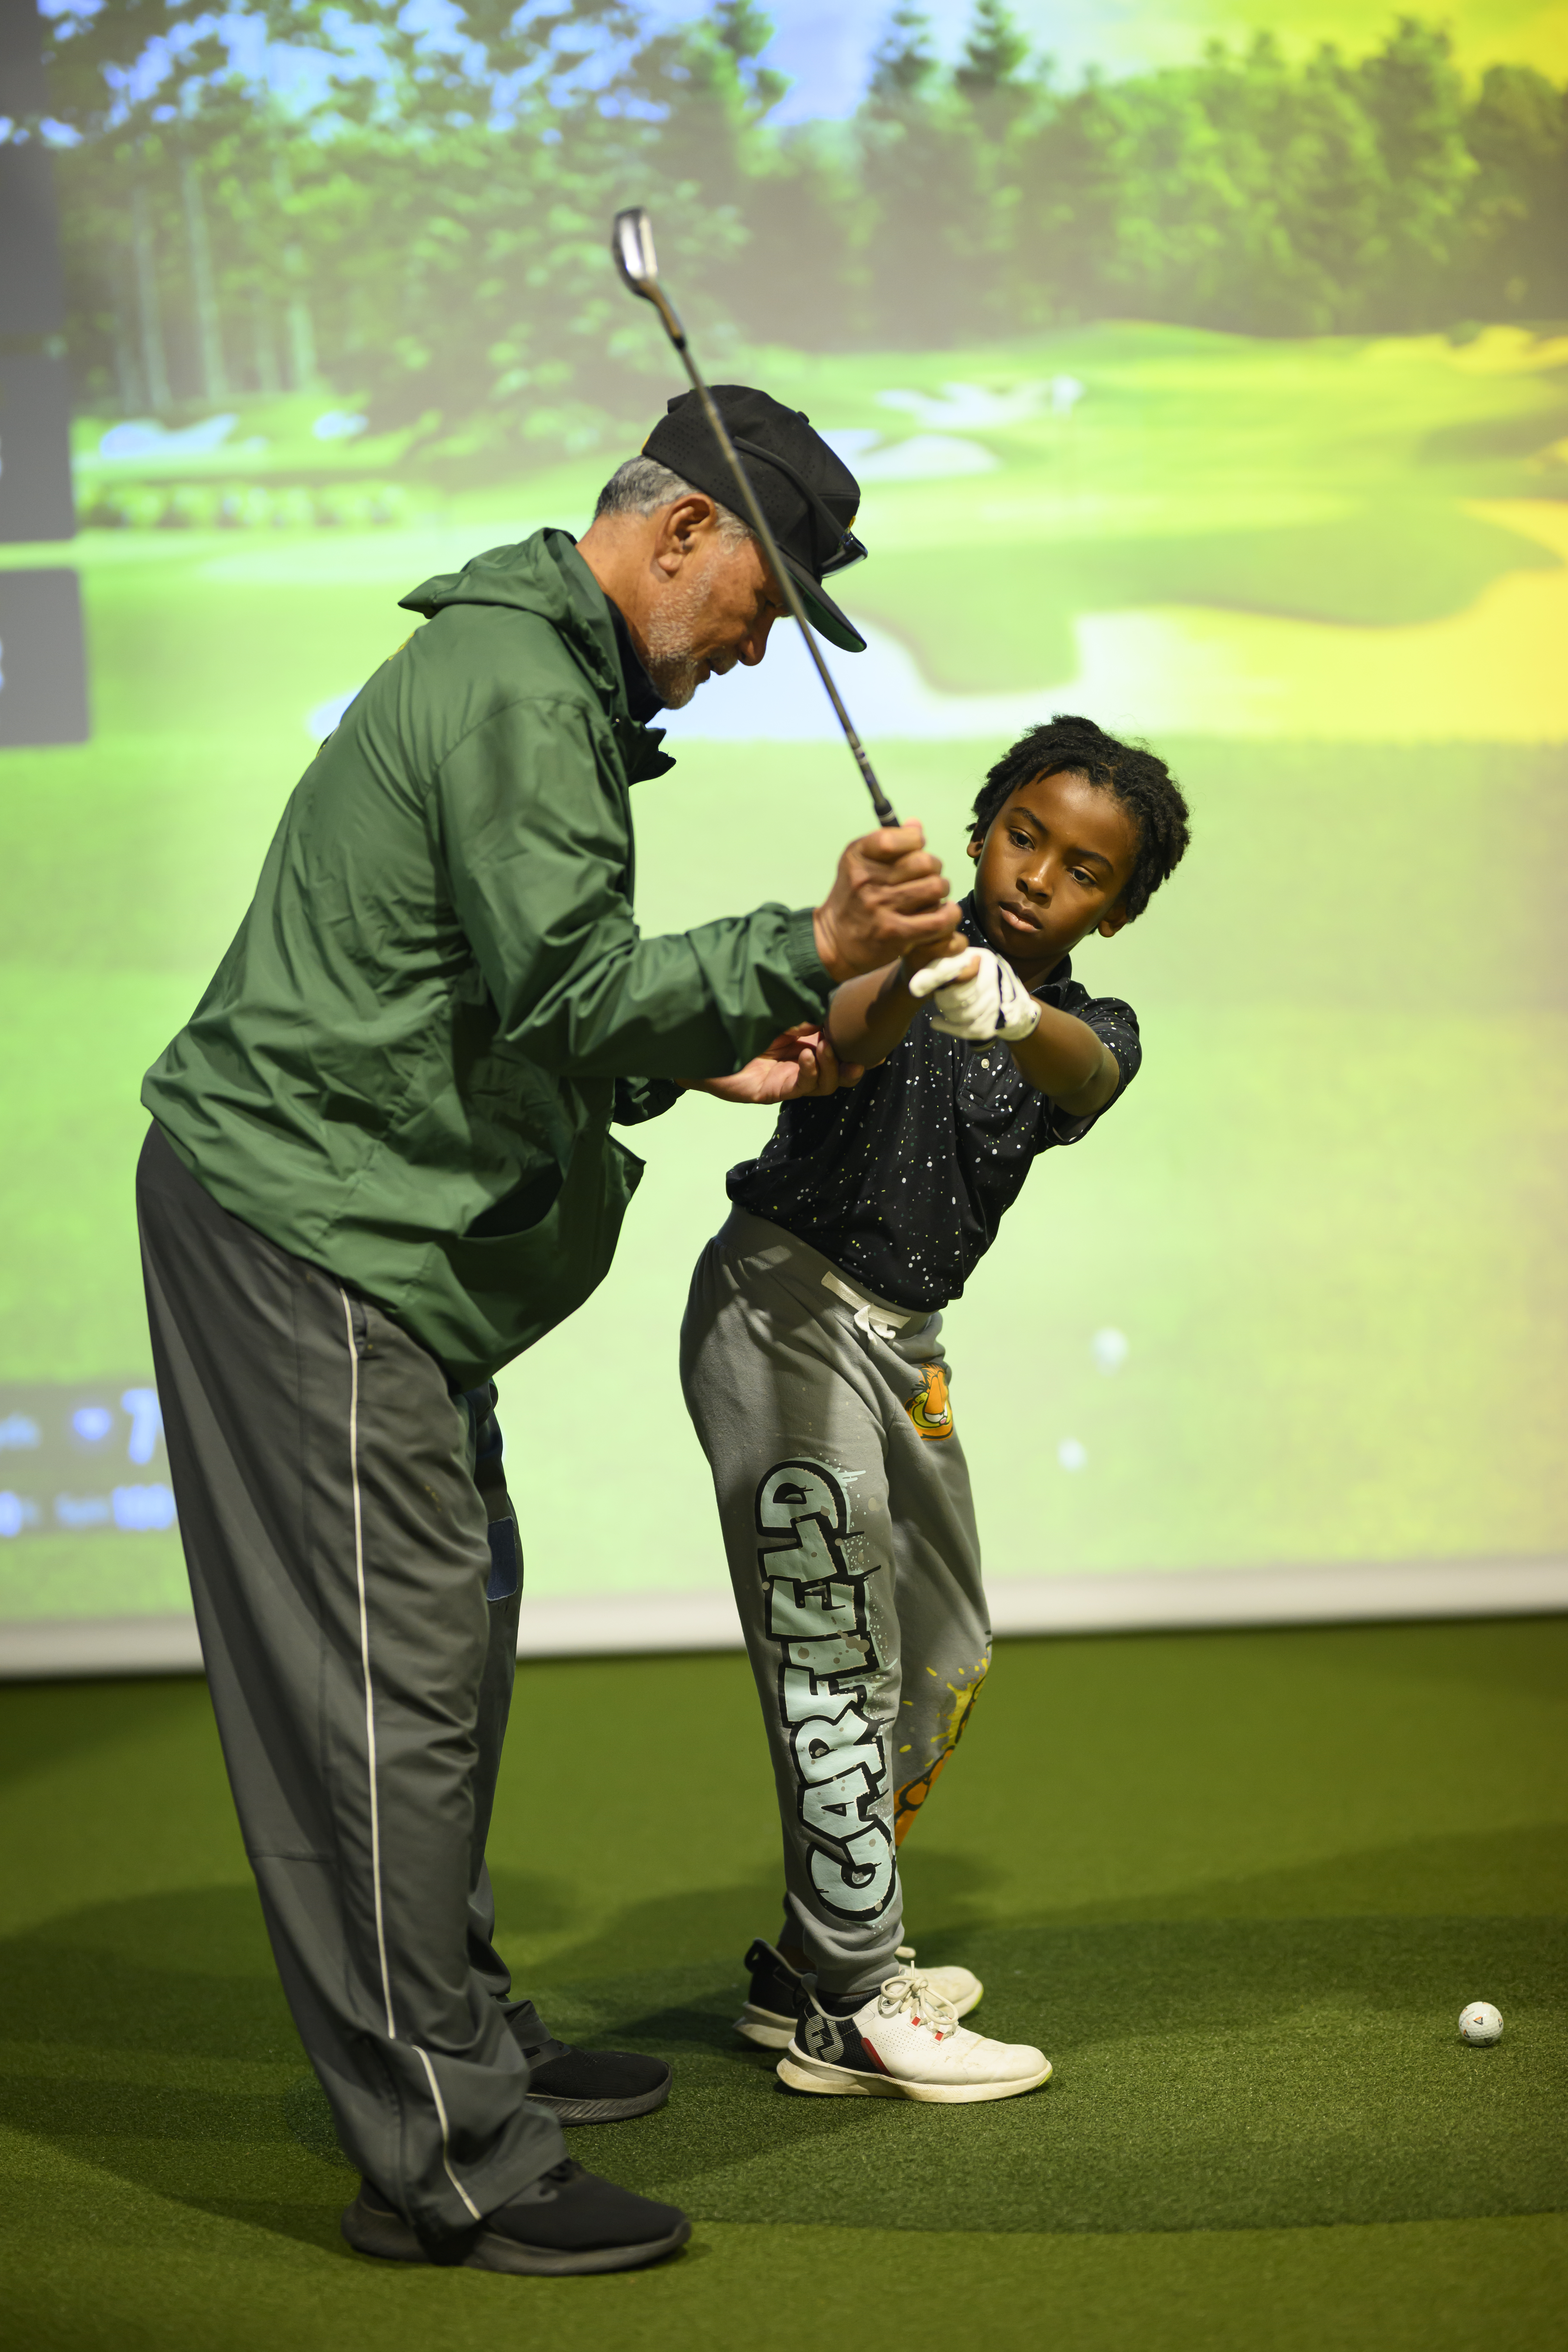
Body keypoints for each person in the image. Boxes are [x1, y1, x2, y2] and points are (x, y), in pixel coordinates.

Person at [135, 386, 961, 2274]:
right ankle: (450, 2154)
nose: (760, 642)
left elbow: (510, 1013)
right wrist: (806, 942)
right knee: (388, 1695)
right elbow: (574, 983)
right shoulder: (521, 684)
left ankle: (467, 2033)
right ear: (678, 535)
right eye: (765, 595)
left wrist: (697, 1043)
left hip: (374, 1234)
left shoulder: (544, 681)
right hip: (311, 1230)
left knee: (455, 1628)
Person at [680, 714, 1191, 2102]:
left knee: (944, 1654)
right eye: (1023, 838)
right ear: (980, 830)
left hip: (904, 1350)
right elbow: (837, 1036)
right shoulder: (892, 944)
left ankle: (808, 1959)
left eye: (1082, 872)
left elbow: (1085, 1072)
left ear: (1117, 909)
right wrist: (915, 971)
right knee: (833, 1653)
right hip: (782, 1312)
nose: (1037, 878)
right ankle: (853, 1998)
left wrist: (1016, 1013)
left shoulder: (1088, 1026)